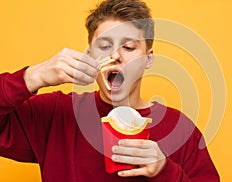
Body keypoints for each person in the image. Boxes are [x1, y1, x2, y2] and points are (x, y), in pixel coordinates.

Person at [0, 0, 220, 181]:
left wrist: (165, 171)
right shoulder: (56, 113)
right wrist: (33, 76)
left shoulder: (180, 129)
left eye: (129, 47)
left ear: (148, 58)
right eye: (104, 46)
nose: (115, 56)